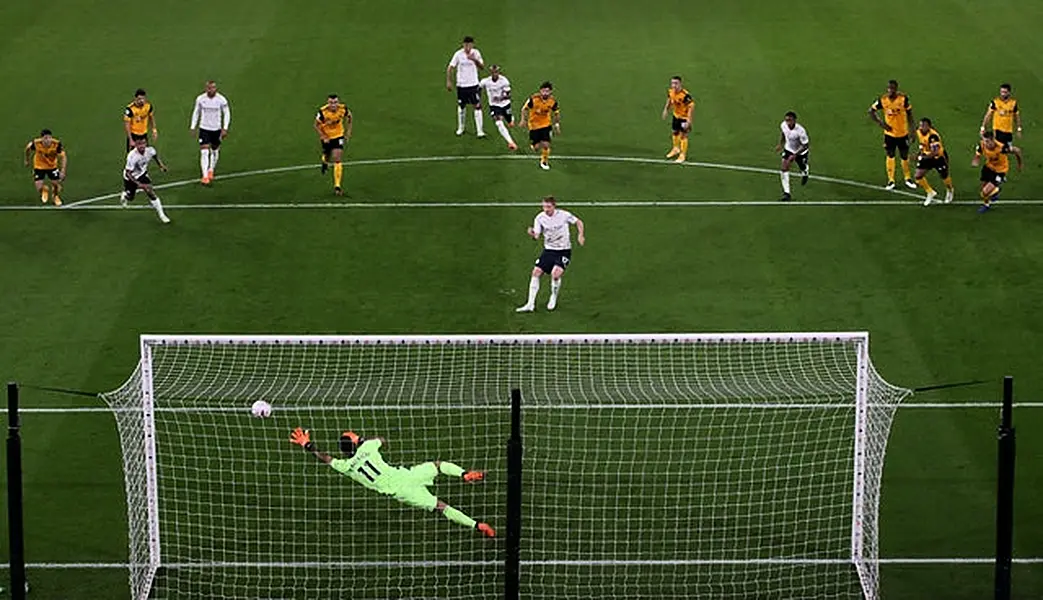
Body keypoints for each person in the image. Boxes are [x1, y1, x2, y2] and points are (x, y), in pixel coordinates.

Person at [289, 427, 495, 537]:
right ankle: (464, 474)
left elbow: (326, 458)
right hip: (407, 476)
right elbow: (383, 440)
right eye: (355, 436)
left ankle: (478, 526)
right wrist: (362, 440)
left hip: (401, 491)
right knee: (438, 465)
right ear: (355, 443)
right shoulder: (367, 447)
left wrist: (308, 445)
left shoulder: (345, 466)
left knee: (441, 506)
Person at [517, 196, 585, 312]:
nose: (546, 209)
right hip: (549, 250)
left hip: (564, 250)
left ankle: (553, 296)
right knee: (536, 272)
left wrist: (580, 234)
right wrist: (532, 234)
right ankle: (530, 304)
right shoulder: (539, 218)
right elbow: (537, 236)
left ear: (554, 206)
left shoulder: (564, 215)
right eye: (544, 206)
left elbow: (578, 222)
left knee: (555, 275)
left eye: (548, 207)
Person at [868, 80, 916, 191]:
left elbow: (910, 114)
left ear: (896, 89)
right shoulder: (883, 100)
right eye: (889, 88)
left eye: (893, 88)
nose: (891, 90)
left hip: (903, 133)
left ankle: (908, 178)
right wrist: (882, 124)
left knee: (904, 155)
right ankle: (891, 180)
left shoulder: (903, 99)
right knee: (890, 155)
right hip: (890, 134)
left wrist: (912, 131)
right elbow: (871, 111)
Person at [120, 138, 171, 223]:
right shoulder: (132, 157)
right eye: (139, 144)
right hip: (130, 178)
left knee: (150, 191)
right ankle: (125, 195)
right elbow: (128, 173)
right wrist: (138, 184)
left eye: (143, 143)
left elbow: (155, 156)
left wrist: (161, 166)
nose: (142, 146)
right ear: (136, 145)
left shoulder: (150, 150)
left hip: (142, 174)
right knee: (130, 198)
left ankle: (162, 215)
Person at [190, 80, 231, 185]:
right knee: (204, 151)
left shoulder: (221, 100)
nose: (211, 90)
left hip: (216, 129)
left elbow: (226, 113)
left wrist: (225, 128)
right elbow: (196, 112)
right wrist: (193, 127)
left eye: (213, 88)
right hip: (204, 128)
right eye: (209, 88)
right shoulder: (200, 99)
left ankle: (211, 169)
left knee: (215, 150)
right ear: (206, 88)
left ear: (215, 88)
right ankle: (204, 176)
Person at [972, 131, 1023, 213]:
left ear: (993, 140)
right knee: (984, 187)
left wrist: (1020, 164)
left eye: (987, 141)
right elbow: (978, 153)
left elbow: (1017, 151)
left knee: (984, 192)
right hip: (988, 167)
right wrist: (976, 160)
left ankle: (996, 190)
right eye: (984, 141)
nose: (985, 143)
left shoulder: (1002, 147)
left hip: (1000, 171)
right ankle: (988, 202)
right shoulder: (982, 144)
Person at [446, 36, 485, 138]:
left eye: (469, 44)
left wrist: (474, 60)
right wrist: (449, 81)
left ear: (472, 45)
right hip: (462, 85)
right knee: (461, 106)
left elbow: (482, 67)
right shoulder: (458, 54)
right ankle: (461, 128)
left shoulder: (476, 53)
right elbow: (450, 67)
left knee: (477, 106)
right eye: (465, 44)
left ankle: (480, 131)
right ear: (463, 45)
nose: (467, 46)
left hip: (473, 84)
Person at [314, 94, 353, 195]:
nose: (333, 105)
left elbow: (349, 117)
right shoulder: (322, 112)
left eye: (335, 102)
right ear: (328, 103)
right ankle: (324, 161)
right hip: (326, 136)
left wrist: (348, 131)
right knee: (327, 156)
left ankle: (337, 186)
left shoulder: (343, 109)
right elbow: (316, 125)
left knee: (337, 157)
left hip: (338, 135)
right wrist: (323, 136)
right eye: (331, 103)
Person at [520, 82, 560, 171]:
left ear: (551, 92)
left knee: (546, 145)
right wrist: (523, 120)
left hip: (546, 124)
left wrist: (556, 124)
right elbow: (524, 109)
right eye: (544, 91)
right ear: (540, 91)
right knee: (536, 148)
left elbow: (556, 112)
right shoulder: (533, 99)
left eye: (547, 91)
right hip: (534, 125)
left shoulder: (552, 101)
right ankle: (534, 145)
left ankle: (544, 161)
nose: (545, 93)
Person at [913, 118, 954, 206]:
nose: (921, 127)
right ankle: (930, 192)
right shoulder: (919, 132)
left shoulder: (933, 136)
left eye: (924, 126)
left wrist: (922, 157)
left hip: (938, 158)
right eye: (920, 125)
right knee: (918, 176)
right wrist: (918, 154)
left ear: (929, 126)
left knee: (944, 176)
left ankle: (950, 190)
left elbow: (935, 152)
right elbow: (922, 145)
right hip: (926, 156)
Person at [24, 129, 66, 206]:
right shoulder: (36, 143)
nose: (48, 140)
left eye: (49, 138)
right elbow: (27, 148)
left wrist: (63, 170)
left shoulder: (56, 144)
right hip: (39, 166)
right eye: (45, 138)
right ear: (42, 138)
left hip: (52, 166)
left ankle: (55, 196)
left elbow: (63, 157)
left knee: (56, 184)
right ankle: (44, 189)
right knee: (38, 187)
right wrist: (27, 160)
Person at [479, 65, 517, 150]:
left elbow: (508, 96)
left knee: (510, 122)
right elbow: (479, 88)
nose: (495, 74)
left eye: (496, 72)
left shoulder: (504, 81)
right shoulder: (486, 81)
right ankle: (510, 142)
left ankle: (511, 119)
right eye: (493, 72)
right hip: (494, 106)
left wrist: (499, 98)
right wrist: (478, 99)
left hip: (505, 104)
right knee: (498, 122)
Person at [775, 111, 809, 201]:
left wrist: (795, 155)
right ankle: (787, 193)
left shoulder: (801, 131)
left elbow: (805, 145)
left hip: (801, 152)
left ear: (794, 120)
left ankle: (805, 171)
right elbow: (783, 133)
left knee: (802, 167)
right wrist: (780, 144)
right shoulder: (783, 125)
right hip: (788, 149)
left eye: (789, 120)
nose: (787, 122)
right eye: (786, 120)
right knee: (784, 168)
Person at [661, 76, 694, 163]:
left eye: (676, 83)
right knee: (675, 132)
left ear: (680, 84)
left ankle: (682, 155)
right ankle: (676, 149)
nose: (674, 85)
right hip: (676, 116)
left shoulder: (685, 95)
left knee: (683, 136)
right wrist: (665, 110)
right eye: (672, 83)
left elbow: (691, 107)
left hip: (684, 118)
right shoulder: (671, 92)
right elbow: (669, 100)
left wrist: (689, 120)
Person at [980, 83, 1022, 149]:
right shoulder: (995, 102)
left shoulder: (1013, 103)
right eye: (1001, 92)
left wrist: (1019, 129)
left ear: (1009, 92)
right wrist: (983, 127)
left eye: (1005, 92)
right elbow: (988, 115)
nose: (1002, 94)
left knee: (1008, 149)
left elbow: (1016, 116)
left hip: (1008, 131)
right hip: (998, 130)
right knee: (998, 149)